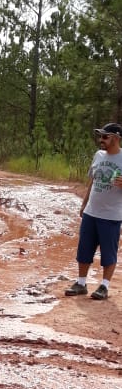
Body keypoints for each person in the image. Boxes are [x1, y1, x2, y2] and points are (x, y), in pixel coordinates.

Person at [65, 122, 122, 300]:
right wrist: (84, 204)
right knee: (84, 249)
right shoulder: (98, 155)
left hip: (111, 215)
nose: (101, 139)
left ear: (117, 138)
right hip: (91, 212)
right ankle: (81, 283)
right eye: (100, 136)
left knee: (108, 252)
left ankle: (104, 286)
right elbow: (92, 181)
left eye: (105, 136)